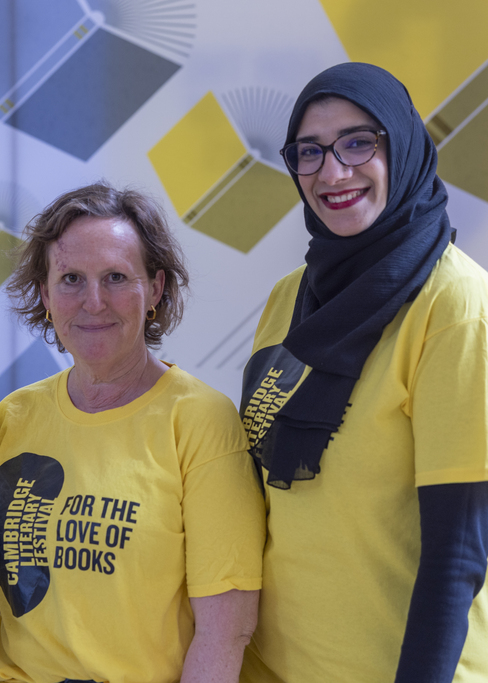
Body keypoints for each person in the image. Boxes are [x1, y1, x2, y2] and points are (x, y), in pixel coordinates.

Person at [239, 62, 488, 683]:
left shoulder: (453, 306)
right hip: (274, 666)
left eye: (357, 143)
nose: (333, 173)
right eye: (309, 151)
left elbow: (459, 549)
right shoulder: (290, 295)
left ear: (401, 145)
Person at [0, 183, 265, 683]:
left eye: (115, 277)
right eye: (71, 279)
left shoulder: (200, 421)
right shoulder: (14, 417)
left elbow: (226, 631)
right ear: (46, 294)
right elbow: (7, 593)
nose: (93, 302)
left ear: (154, 289)